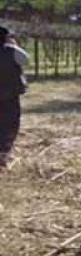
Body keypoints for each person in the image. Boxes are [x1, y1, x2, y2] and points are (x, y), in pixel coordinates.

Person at [0, 25, 29, 170]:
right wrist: (13, 45)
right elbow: (26, 60)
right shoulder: (12, 51)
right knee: (10, 123)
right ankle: (3, 153)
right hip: (10, 94)